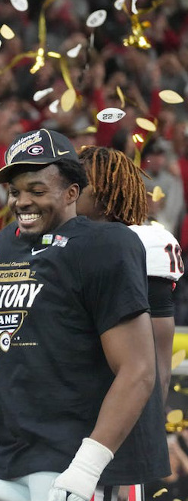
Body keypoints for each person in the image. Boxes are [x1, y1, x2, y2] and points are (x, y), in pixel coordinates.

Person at [0, 129, 168, 501]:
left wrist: (87, 468)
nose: (23, 201)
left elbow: (139, 370)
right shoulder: (6, 243)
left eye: (37, 191)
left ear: (72, 192)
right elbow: (7, 359)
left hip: (72, 458)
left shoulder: (109, 243)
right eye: (15, 191)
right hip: (12, 457)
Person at [77, 145, 183, 401]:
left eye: (81, 182)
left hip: (117, 406)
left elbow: (157, 365)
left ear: (105, 191)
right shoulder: (59, 241)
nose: (71, 190)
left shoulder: (146, 242)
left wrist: (149, 428)